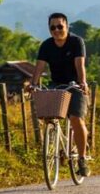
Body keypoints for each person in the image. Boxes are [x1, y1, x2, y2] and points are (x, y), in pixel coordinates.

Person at [30, 12, 91, 177]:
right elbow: (40, 67)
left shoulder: (76, 42)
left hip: (75, 84)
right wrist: (33, 84)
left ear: (66, 26)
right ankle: (56, 142)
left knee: (76, 119)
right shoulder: (46, 45)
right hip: (56, 84)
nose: (56, 30)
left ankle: (82, 158)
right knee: (48, 116)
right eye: (52, 27)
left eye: (60, 26)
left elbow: (80, 65)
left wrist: (82, 82)